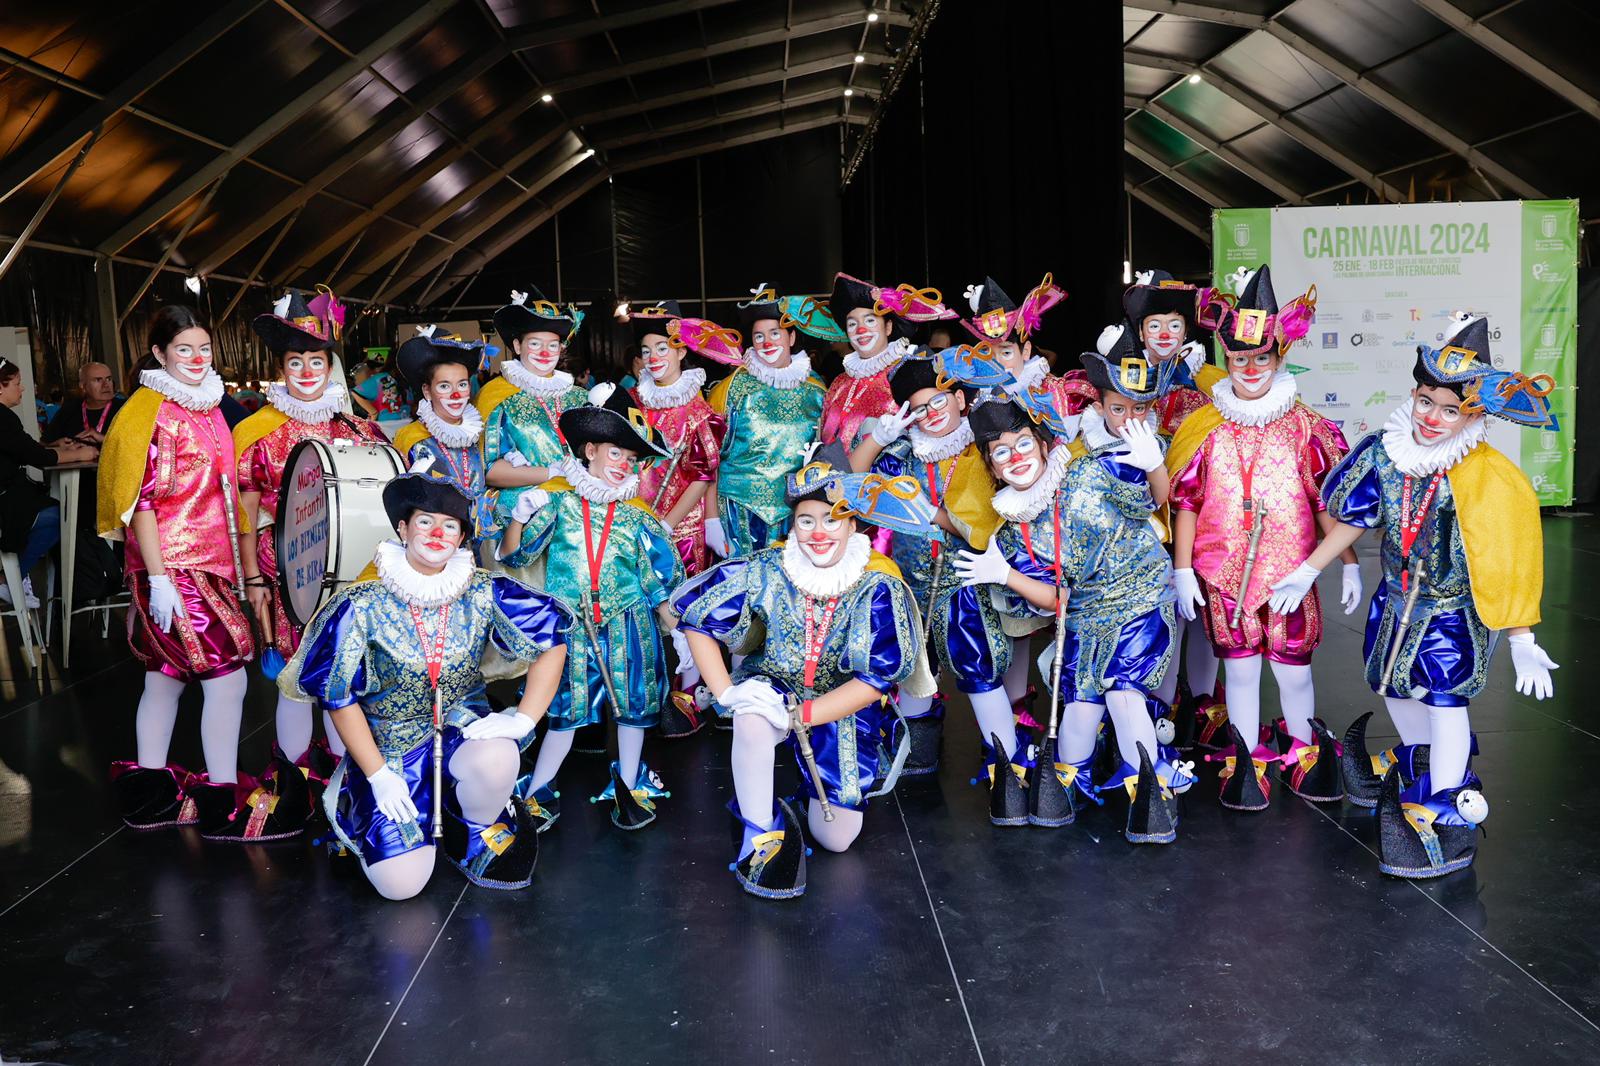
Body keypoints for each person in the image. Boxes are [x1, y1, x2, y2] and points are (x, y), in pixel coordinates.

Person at [1280, 314, 1558, 877]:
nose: (1432, 418)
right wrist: (1310, 570)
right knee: (1395, 688)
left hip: (1453, 608)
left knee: (1446, 699)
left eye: (1449, 409)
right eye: (1426, 401)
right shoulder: (1388, 453)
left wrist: (1522, 633)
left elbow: (1508, 553)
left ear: (1474, 413)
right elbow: (1356, 520)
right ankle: (1423, 767)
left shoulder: (1485, 473)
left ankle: (1449, 803)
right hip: (1396, 598)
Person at [280, 474, 571, 898]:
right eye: (425, 522)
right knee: (402, 887)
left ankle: (466, 822)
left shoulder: (482, 592)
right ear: (402, 528)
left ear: (461, 539)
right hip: (390, 750)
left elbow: (553, 637)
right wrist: (378, 774)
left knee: (499, 756)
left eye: (450, 526)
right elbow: (337, 695)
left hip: (459, 731)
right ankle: (351, 801)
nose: (437, 534)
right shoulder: (361, 604)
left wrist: (524, 719)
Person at [672, 446, 934, 898]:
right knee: (753, 718)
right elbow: (697, 616)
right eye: (806, 521)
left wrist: (799, 718)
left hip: (840, 705)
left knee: (836, 840)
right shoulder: (769, 567)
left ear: (852, 524)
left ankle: (802, 792)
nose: (817, 532)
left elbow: (874, 682)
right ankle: (759, 836)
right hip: (773, 685)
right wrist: (727, 694)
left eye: (831, 519)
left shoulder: (878, 583)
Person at [960, 338, 1192, 842]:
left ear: (1043, 444)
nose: (1015, 457)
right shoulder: (1012, 532)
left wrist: (1154, 463)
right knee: (1080, 709)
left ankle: (1151, 794)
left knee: (1124, 695)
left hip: (1138, 594)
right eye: (1001, 452)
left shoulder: (1089, 470)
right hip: (1083, 615)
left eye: (1023, 443)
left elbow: (1156, 501)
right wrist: (1004, 574)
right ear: (993, 467)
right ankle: (1068, 780)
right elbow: (1055, 602)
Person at [1165, 266, 1360, 811]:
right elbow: (1186, 503)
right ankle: (1247, 758)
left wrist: (1345, 562)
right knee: (1241, 672)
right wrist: (1182, 569)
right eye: (1239, 359)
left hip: (1290, 576)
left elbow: (1330, 504)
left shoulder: (1307, 428)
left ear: (1280, 357)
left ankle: (1302, 749)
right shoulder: (1206, 426)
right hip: (1222, 577)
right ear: (1226, 359)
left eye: (1262, 358)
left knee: (1294, 673)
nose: (1250, 369)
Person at [97, 306, 287, 840]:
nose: (198, 359)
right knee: (225, 680)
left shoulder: (202, 406)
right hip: (177, 566)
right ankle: (223, 802)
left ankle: (149, 793)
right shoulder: (150, 412)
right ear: (159, 354)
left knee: (165, 679)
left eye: (204, 348)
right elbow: (142, 503)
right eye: (185, 349)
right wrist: (155, 579)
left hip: (208, 561)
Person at [496, 383, 685, 831]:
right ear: (590, 449)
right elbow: (515, 556)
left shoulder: (640, 517)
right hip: (570, 628)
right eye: (616, 454)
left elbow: (659, 583)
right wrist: (520, 517)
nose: (625, 465)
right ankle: (539, 788)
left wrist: (677, 631)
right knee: (562, 714)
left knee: (633, 708)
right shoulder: (556, 502)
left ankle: (631, 781)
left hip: (629, 625)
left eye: (633, 459)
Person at [233, 288, 387, 824]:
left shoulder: (357, 428)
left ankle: (345, 782)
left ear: (331, 364)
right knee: (295, 686)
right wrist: (253, 580)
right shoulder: (256, 432)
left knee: (345, 684)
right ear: (281, 366)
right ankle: (297, 783)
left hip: (349, 582)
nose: (305, 370)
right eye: (294, 360)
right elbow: (246, 514)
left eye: (315, 360)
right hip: (285, 582)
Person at [849, 347, 1010, 783]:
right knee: (913, 664)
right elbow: (853, 482)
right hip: (910, 584)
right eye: (918, 408)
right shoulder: (904, 453)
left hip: (965, 584)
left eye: (937, 401)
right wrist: (880, 437)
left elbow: (996, 519)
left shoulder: (984, 451)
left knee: (979, 668)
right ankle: (915, 748)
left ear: (960, 399)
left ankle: (1008, 765)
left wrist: (933, 515)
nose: (929, 413)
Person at [1122, 268, 1230, 747]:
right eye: (1153, 326)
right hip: (1141, 518)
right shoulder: (1125, 376)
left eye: (1173, 325)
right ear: (1139, 332)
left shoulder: (1209, 380)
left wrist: (1201, 375)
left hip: (1199, 513)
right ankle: (1158, 705)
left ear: (1187, 331)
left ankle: (1205, 704)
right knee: (1160, 611)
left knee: (1202, 609)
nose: (1164, 334)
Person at [626, 300, 739, 734]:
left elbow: (701, 476)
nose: (655, 358)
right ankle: (651, 696)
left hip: (681, 532)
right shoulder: (634, 402)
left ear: (680, 353)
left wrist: (668, 525)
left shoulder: (701, 412)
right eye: (647, 349)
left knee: (684, 612)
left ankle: (689, 697)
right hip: (636, 525)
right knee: (647, 615)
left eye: (663, 349)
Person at [714, 285, 835, 559]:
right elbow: (709, 461)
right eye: (759, 336)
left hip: (794, 512)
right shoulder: (730, 389)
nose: (767, 343)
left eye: (774, 333)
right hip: (740, 511)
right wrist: (711, 519)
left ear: (791, 337)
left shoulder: (817, 391)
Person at [478, 288, 591, 527]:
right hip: (526, 507)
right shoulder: (496, 395)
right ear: (518, 346)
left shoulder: (579, 396)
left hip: (582, 502)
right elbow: (489, 470)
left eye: (552, 345)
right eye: (535, 343)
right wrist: (551, 474)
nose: (544, 352)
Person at [819, 272, 956, 452]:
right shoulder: (839, 383)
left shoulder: (909, 373)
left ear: (888, 327)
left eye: (870, 320)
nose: (861, 329)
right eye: (852, 324)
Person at [0, 357, 96, 608]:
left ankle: (14, 577)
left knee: (58, 513)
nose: (22, 389)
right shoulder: (3, 417)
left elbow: (21, 448)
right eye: (18, 383)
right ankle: (11, 577)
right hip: (6, 502)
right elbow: (37, 458)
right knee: (63, 517)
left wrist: (52, 445)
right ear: (1, 386)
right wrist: (79, 454)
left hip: (9, 496)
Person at [392, 327, 497, 549]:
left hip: (480, 548)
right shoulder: (410, 437)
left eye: (462, 384)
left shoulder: (479, 432)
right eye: (444, 386)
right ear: (427, 391)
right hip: (433, 547)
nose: (456, 395)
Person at [44, 361, 123, 445]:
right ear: (83, 386)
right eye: (98, 380)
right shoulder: (68, 410)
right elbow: (43, 446)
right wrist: (59, 446)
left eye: (109, 379)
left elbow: (136, 446)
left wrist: (104, 440)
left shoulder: (126, 408)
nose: (106, 385)